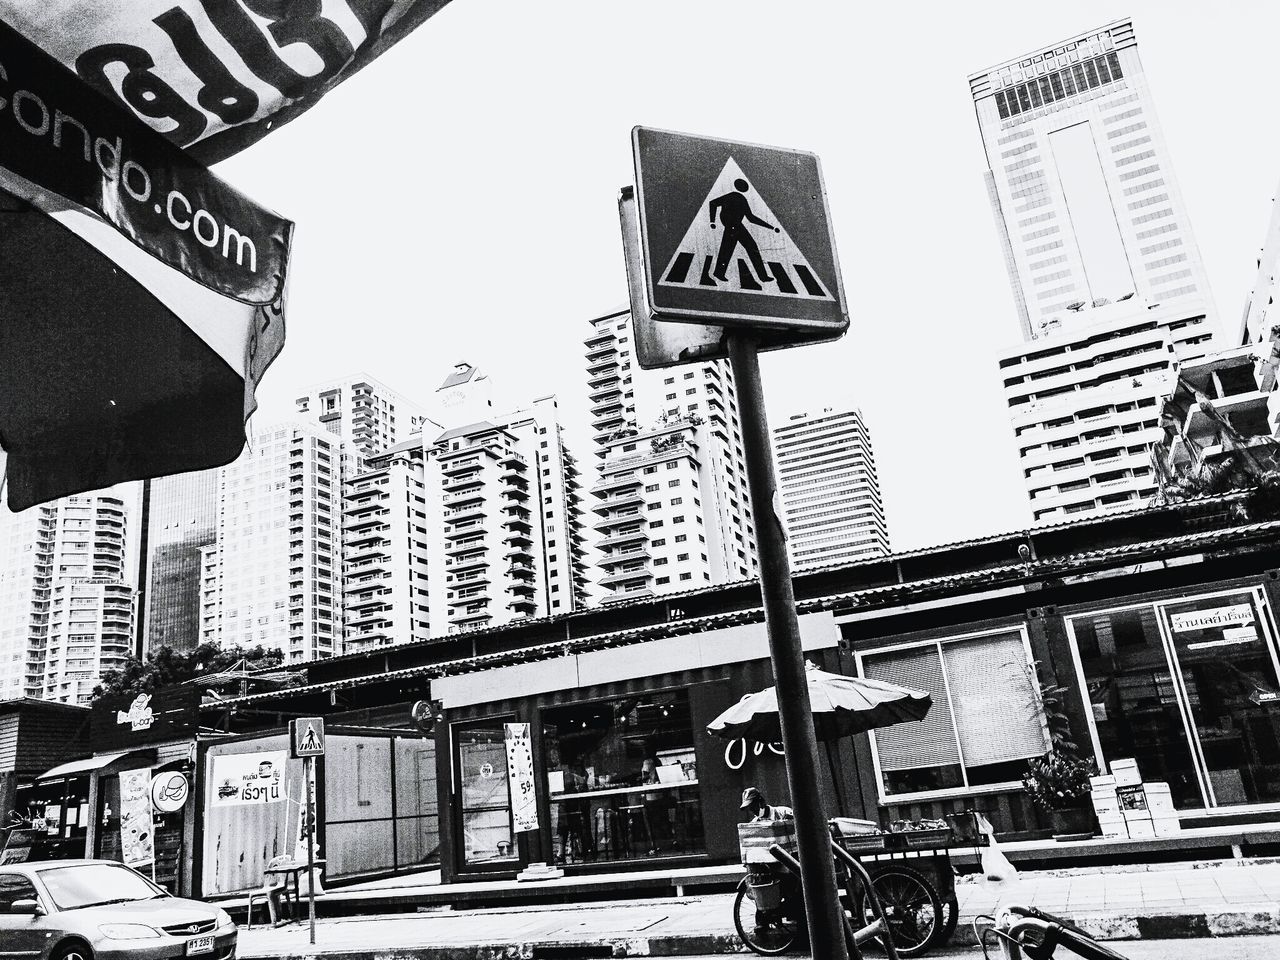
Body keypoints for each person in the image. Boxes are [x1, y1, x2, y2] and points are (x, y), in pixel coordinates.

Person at [708, 178, 781, 285]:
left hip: (736, 225)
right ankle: (762, 276)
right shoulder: (734, 196)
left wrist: (771, 227)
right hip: (733, 226)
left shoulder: (739, 198)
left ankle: (763, 276)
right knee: (731, 248)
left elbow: (751, 218)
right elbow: (713, 203)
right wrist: (712, 221)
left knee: (734, 248)